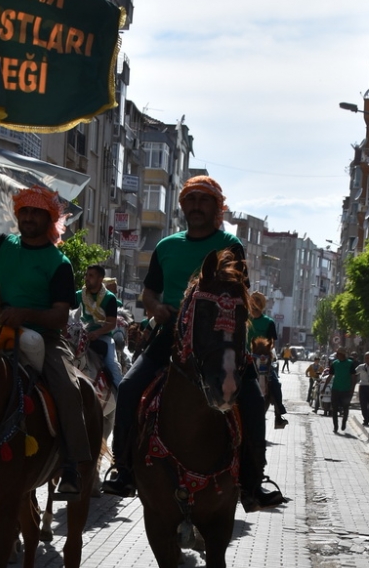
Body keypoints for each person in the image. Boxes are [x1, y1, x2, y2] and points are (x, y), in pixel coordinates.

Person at [105, 175, 248, 496]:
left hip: (217, 339)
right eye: (191, 200)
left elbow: (239, 293)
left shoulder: (230, 246)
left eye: (204, 200)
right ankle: (124, 469)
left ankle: (253, 477)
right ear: (183, 206)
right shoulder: (166, 246)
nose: (196, 206)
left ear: (217, 207)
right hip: (170, 335)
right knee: (128, 388)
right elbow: (150, 292)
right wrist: (155, 307)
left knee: (251, 396)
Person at [0, 167, 89, 499]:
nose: (28, 217)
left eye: (36, 212)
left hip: (45, 338)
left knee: (70, 389)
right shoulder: (1, 244)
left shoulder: (59, 263)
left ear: (49, 218)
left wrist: (25, 313)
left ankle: (73, 464)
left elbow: (59, 316)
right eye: (23, 211)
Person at [246, 293, 287, 429]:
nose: (253, 304)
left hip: (263, 357)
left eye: (256, 302)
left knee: (275, 382)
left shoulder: (269, 322)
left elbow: (272, 343)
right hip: (246, 357)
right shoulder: (245, 320)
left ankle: (279, 414)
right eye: (252, 301)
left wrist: (264, 353)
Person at [80, 265, 123, 388]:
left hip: (103, 338)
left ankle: (120, 397)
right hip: (79, 337)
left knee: (112, 365)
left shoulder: (110, 298)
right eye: (86, 275)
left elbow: (111, 324)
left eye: (91, 276)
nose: (87, 278)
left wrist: (97, 333)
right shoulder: (78, 295)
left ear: (100, 279)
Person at [330, 347, 355, 432]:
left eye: (338, 354)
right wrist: (325, 386)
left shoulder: (350, 363)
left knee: (345, 408)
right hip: (336, 389)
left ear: (342, 354)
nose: (337, 355)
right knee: (334, 409)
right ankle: (335, 426)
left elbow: (353, 377)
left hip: (346, 390)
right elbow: (330, 376)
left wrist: (352, 388)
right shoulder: (334, 363)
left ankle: (344, 422)